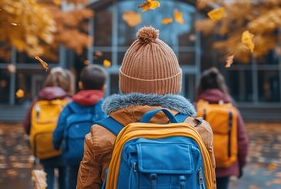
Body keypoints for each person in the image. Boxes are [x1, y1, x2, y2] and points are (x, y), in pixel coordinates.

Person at [76, 26, 216, 188]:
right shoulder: (200, 131)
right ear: (175, 83)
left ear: (125, 83)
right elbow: (209, 182)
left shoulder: (101, 134)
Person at [53, 64, 108, 189]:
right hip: (97, 158)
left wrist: (56, 145)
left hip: (73, 155)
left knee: (72, 180)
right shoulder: (104, 107)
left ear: (80, 85)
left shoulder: (70, 106)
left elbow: (60, 128)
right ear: (104, 87)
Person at [196, 67, 248, 189]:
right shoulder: (232, 110)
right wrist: (241, 164)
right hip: (226, 165)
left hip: (202, 166)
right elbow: (242, 141)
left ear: (201, 86)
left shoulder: (195, 108)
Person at [23, 67, 74, 189]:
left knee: (47, 178)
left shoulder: (37, 101)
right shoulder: (68, 101)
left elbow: (26, 125)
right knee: (64, 179)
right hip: (63, 147)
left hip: (43, 147)